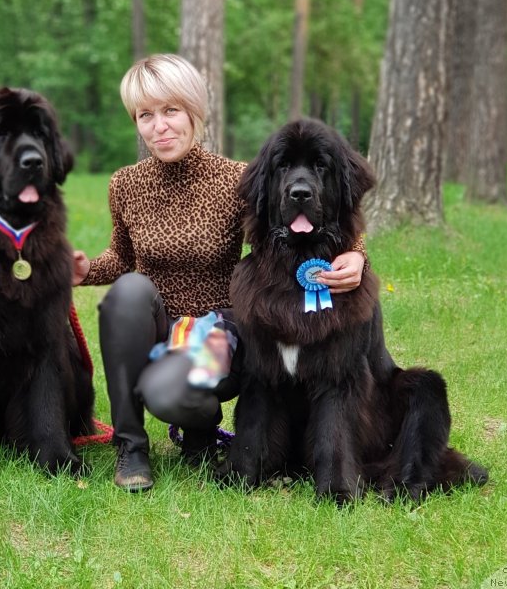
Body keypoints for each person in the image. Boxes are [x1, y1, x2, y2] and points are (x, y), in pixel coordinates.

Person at [72, 55, 366, 492]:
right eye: (146, 115)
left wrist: (357, 253)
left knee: (169, 392)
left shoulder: (237, 179)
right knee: (128, 292)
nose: (160, 126)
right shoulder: (125, 185)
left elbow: (301, 223)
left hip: (217, 332)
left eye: (171, 111)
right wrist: (85, 270)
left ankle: (201, 431)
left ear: (195, 112)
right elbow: (122, 257)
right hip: (158, 324)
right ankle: (132, 447)